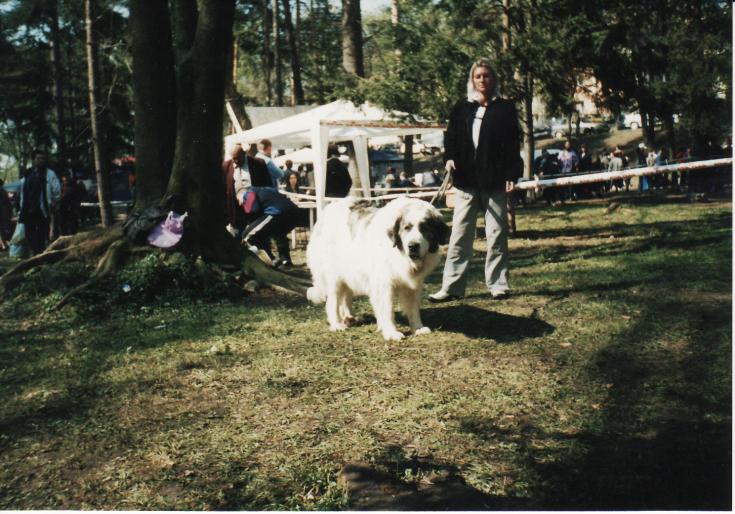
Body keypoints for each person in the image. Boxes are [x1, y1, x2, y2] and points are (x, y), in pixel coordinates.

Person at [429, 58, 521, 303]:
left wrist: (512, 174)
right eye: (478, 76)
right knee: (460, 234)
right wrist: (449, 158)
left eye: (487, 76)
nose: (483, 80)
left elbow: (513, 144)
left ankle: (498, 284)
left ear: (494, 80)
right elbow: (451, 139)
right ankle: (451, 287)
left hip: (495, 181)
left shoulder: (505, 108)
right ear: (472, 80)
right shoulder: (462, 108)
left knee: (496, 234)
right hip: (466, 181)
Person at [18, 149, 61, 255]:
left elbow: (56, 190)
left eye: (43, 158)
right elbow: (23, 192)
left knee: (42, 234)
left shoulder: (49, 174)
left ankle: (39, 253)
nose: (41, 160)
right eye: (38, 158)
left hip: (43, 209)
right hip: (28, 210)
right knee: (29, 234)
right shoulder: (28, 174)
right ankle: (35, 251)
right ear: (33, 160)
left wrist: (54, 203)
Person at [222, 143, 271, 236]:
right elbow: (223, 190)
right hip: (236, 211)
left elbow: (267, 185)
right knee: (238, 238)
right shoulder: (226, 166)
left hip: (255, 209)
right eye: (233, 158)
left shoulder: (258, 164)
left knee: (257, 237)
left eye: (237, 158)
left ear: (244, 154)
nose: (235, 161)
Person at [0, 179, 13, 250]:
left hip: (3, 213)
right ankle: (4, 244)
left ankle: (3, 245)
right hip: (4, 213)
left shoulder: (2, 191)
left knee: (2, 230)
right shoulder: (3, 191)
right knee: (4, 229)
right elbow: (8, 204)